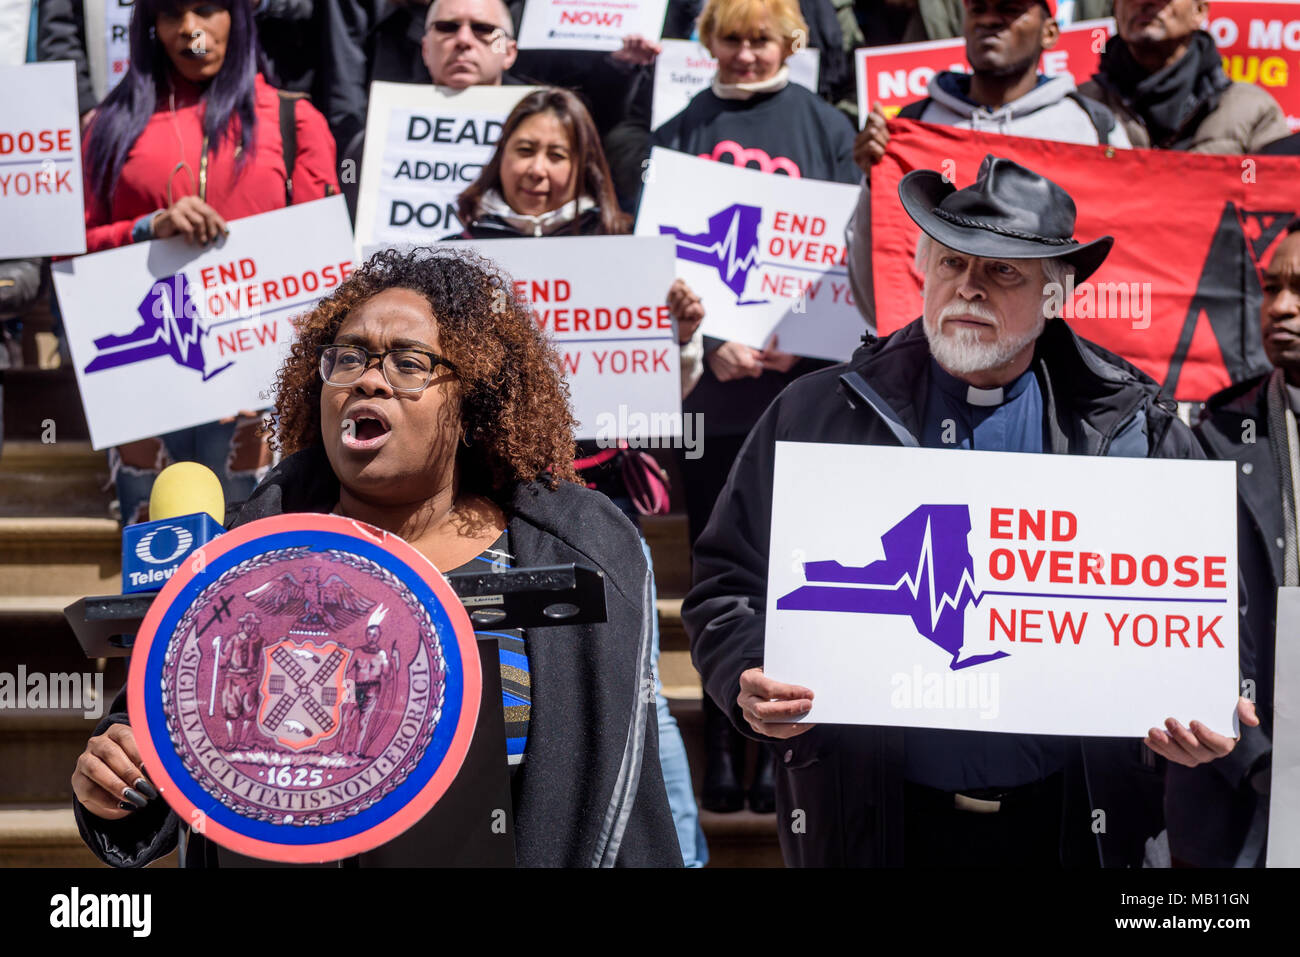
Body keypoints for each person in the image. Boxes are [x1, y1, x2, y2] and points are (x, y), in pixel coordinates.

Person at [682, 154, 1259, 866]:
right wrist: (745, 667)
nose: (968, 288)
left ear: (1056, 297)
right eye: (952, 263)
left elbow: (1208, 612)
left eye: (1002, 271)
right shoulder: (816, 411)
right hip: (876, 819)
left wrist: (1204, 699)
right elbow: (724, 585)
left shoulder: (1138, 431)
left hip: (1071, 823)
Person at [70, 246, 682, 868]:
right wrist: (116, 780)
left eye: (408, 363)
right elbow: (151, 760)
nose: (368, 378)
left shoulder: (571, 553)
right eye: (348, 358)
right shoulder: (245, 558)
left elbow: (620, 808)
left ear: (471, 403)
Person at [450, 87, 710, 867]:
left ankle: (682, 856)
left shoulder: (622, 251)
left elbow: (659, 396)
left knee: (636, 687)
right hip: (484, 509)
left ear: (583, 166)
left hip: (594, 506)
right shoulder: (458, 259)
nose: (539, 169)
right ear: (502, 157)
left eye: (557, 154)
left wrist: (679, 341)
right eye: (525, 149)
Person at [629, 0, 857, 816]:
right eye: (732, 37)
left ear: (792, 44)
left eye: (763, 39)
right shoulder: (680, 127)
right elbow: (656, 258)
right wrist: (713, 339)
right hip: (717, 396)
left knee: (797, 566)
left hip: (805, 389)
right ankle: (727, 741)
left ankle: (780, 754)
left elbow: (849, 252)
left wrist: (808, 331)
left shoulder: (828, 126)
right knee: (721, 562)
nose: (748, 53)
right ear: (709, 43)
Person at [79, 0, 338, 525]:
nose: (191, 29)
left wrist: (266, 372)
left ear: (239, 18)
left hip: (261, 391)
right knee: (154, 573)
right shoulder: (105, 126)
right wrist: (146, 228)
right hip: (146, 386)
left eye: (207, 9)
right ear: (150, 25)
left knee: (258, 568)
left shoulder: (296, 120)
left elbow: (324, 264)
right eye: (172, 13)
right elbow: (72, 255)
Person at [846, 0, 1128, 334]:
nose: (990, 19)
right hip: (939, 360)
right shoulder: (912, 125)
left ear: (1050, 31)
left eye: (1010, 9)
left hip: (1055, 369)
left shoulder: (1093, 129)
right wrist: (872, 181)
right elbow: (877, 296)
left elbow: (1125, 261)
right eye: (978, 9)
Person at [1170, 221, 1300, 867]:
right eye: (1272, 287)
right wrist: (1256, 764)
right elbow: (1185, 608)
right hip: (1243, 787)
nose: (1280, 307)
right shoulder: (1218, 432)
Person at [1078, 0, 1288, 152]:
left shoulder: (1253, 111)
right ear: (1116, 8)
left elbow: (1276, 201)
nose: (1145, 3)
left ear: (1199, 11)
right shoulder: (1080, 107)